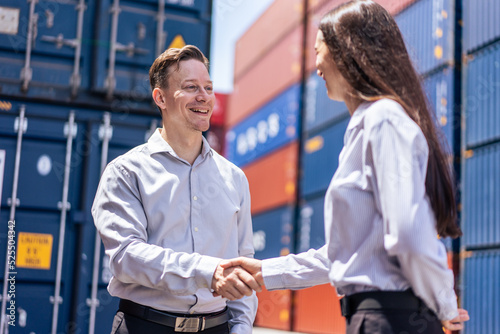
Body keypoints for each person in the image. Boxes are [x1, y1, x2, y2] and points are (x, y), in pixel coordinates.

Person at [216, 1, 470, 333]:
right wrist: (265, 271)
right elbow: (343, 256)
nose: (316, 65)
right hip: (375, 319)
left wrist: (445, 305)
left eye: (319, 51)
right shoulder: (365, 128)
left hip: (393, 321)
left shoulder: (383, 121)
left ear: (348, 53)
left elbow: (408, 232)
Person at [92, 45, 260, 334]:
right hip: (145, 326)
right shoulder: (126, 172)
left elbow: (242, 263)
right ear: (161, 97)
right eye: (191, 87)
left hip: (217, 327)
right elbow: (125, 257)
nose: (204, 97)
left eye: (208, 88)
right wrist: (207, 272)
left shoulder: (234, 178)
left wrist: (242, 327)